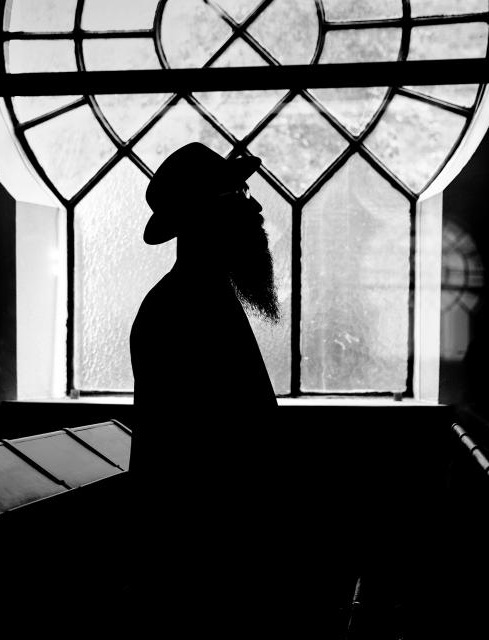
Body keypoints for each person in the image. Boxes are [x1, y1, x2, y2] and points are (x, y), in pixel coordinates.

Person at [128, 142, 291, 637]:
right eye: (239, 192)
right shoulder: (183, 310)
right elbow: (198, 465)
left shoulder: (201, 297)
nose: (256, 206)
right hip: (207, 571)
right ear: (204, 215)